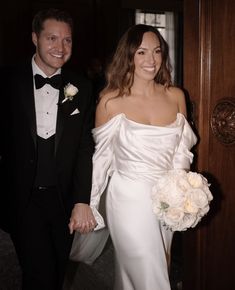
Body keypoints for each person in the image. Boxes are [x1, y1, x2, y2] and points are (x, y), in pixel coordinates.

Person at [89, 24, 198, 290]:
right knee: (149, 272)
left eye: (157, 51)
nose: (151, 60)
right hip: (128, 198)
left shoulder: (176, 96)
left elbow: (182, 151)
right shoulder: (109, 102)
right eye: (141, 52)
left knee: (160, 264)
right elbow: (101, 160)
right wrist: (89, 204)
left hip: (167, 198)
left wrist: (181, 192)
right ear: (128, 56)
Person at [0, 8, 96, 290]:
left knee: (55, 273)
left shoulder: (82, 86)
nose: (60, 47)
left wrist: (81, 200)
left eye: (67, 40)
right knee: (39, 273)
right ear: (34, 38)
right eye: (52, 38)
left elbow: (83, 148)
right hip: (22, 198)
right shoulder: (6, 81)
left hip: (62, 200)